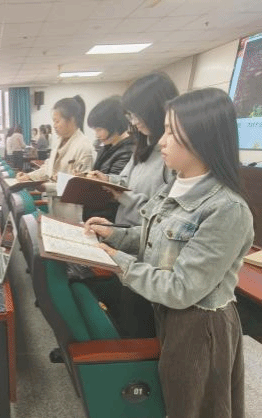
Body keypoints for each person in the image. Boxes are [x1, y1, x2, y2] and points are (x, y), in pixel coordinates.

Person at [85, 88, 253, 418]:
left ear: (203, 137)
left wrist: (117, 261)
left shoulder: (227, 209)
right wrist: (115, 235)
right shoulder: (175, 182)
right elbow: (154, 238)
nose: (162, 141)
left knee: (196, 406)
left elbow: (181, 288)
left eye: (172, 133)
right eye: (164, 130)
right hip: (167, 314)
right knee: (173, 399)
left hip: (199, 326)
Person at [86, 73, 179, 338]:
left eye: (138, 115)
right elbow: (127, 180)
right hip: (127, 235)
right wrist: (108, 180)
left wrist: (122, 196)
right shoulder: (144, 145)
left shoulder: (172, 154)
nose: (134, 122)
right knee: (124, 310)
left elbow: (162, 214)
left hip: (146, 248)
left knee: (140, 318)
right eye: (131, 116)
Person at [17, 96, 95, 221]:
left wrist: (46, 187)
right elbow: (48, 167)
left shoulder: (84, 147)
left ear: (71, 120)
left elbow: (80, 187)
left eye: (57, 121)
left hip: (72, 211)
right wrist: (29, 176)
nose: (54, 126)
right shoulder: (59, 141)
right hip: (55, 205)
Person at [81, 96, 134, 222]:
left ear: (114, 125)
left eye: (99, 129)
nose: (96, 135)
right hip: (96, 214)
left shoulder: (128, 150)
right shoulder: (107, 146)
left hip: (109, 217)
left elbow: (111, 190)